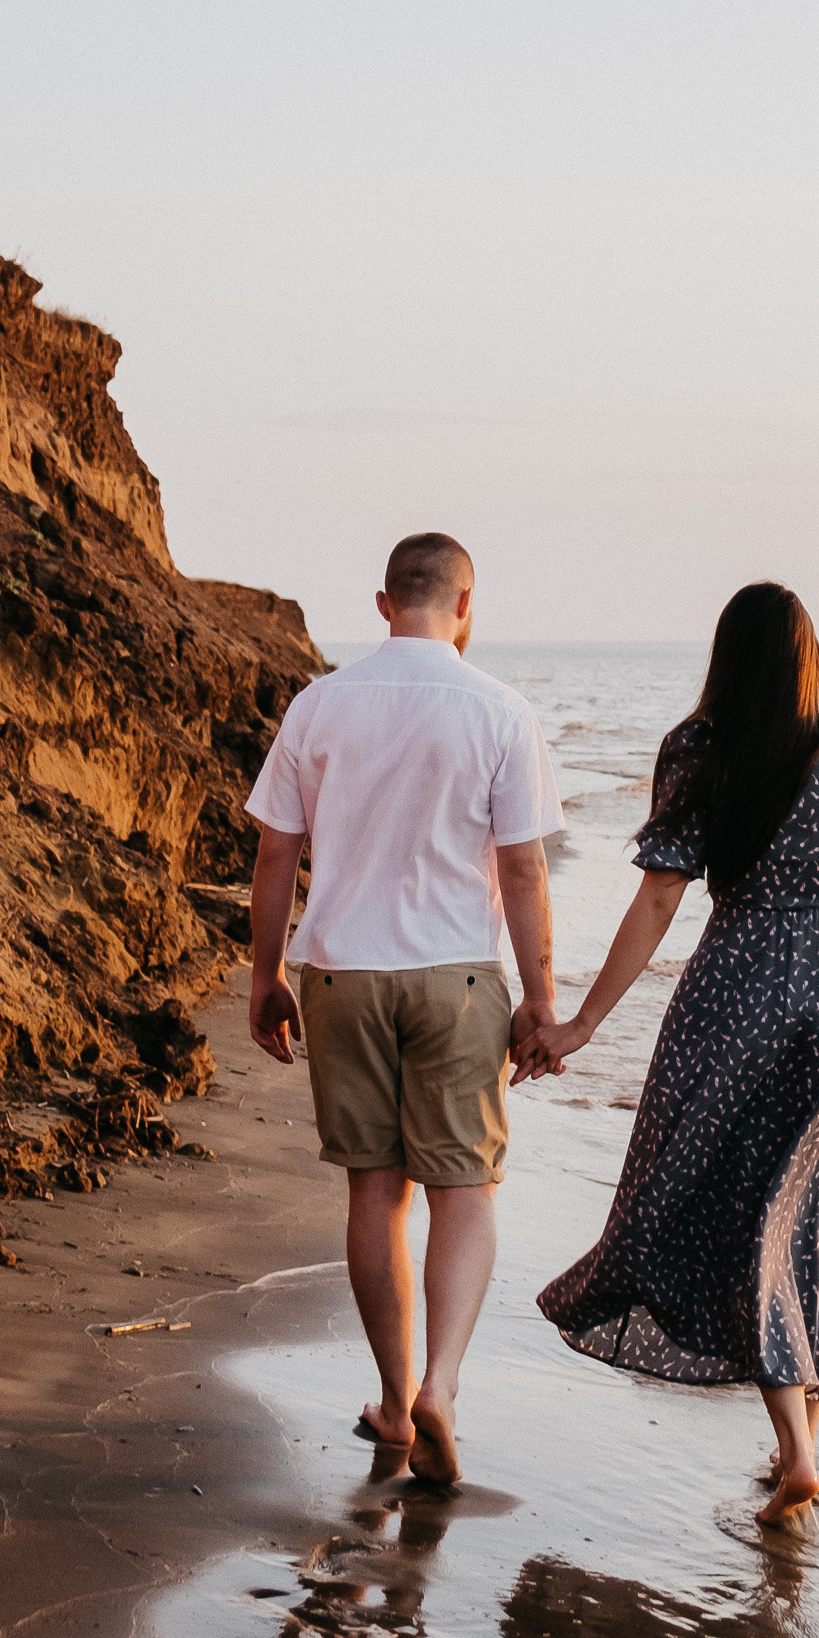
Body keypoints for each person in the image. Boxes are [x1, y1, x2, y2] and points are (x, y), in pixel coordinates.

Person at [521, 581, 819, 1519]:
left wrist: (579, 1023)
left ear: (724, 659)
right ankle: (801, 1433)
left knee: (738, 1210)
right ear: (807, 663)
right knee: (815, 1212)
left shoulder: (698, 753)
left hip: (736, 993)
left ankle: (795, 1453)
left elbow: (658, 899)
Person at [245, 531, 561, 1487]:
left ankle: (392, 1399)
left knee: (375, 1191)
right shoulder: (500, 711)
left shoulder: (319, 704)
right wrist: (542, 999)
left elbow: (274, 854)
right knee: (464, 1188)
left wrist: (266, 976)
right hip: (456, 975)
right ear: (467, 608)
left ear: (384, 603)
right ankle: (443, 1388)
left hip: (339, 973)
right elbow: (522, 867)